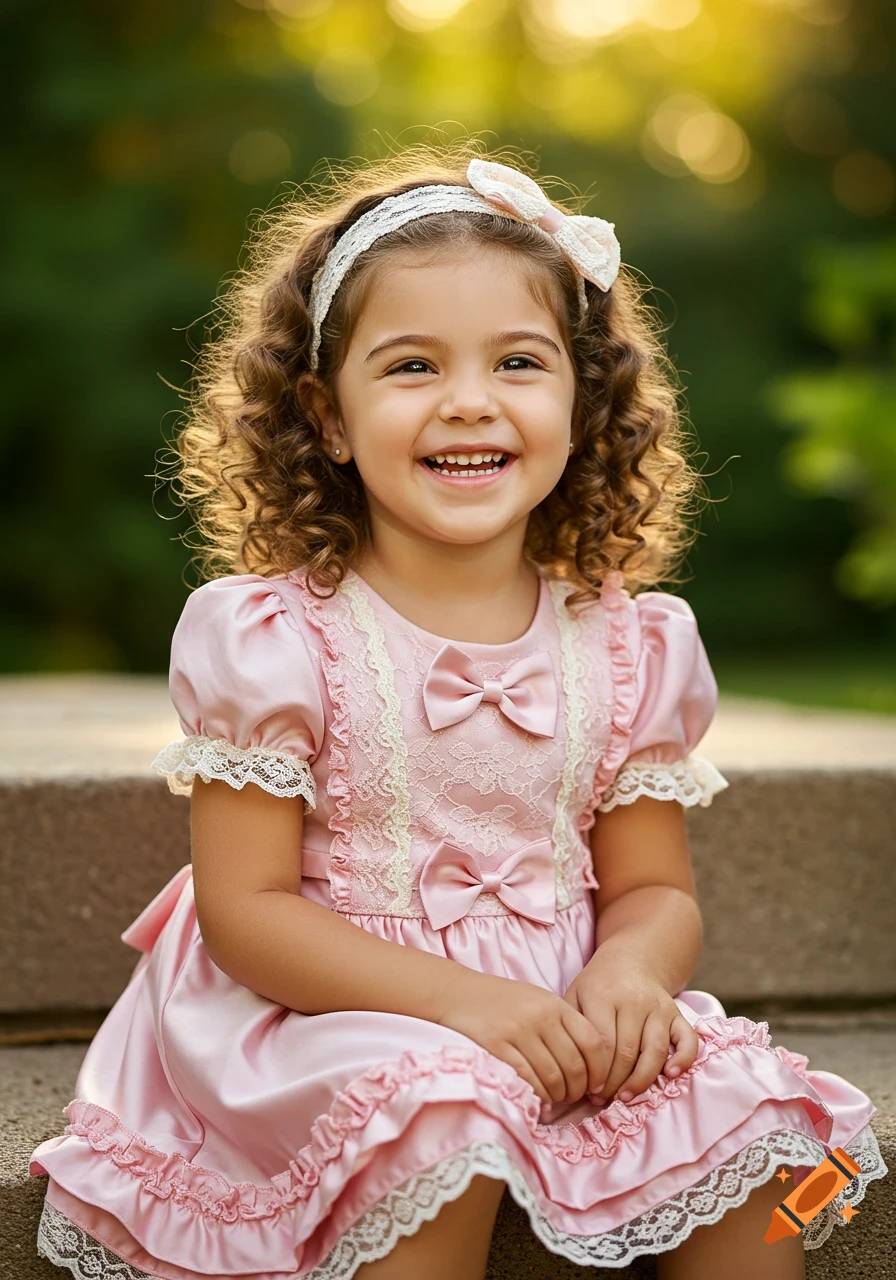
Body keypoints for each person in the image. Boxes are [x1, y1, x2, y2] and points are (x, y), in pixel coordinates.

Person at [29, 141, 886, 1280]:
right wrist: (466, 1004)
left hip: (562, 1010)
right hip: (322, 1011)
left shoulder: (630, 643)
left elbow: (652, 888)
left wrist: (629, 976)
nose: (468, 400)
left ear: (584, 402)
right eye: (411, 366)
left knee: (765, 1129)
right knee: (444, 1116)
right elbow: (247, 913)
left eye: (518, 361)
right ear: (325, 415)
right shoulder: (277, 639)